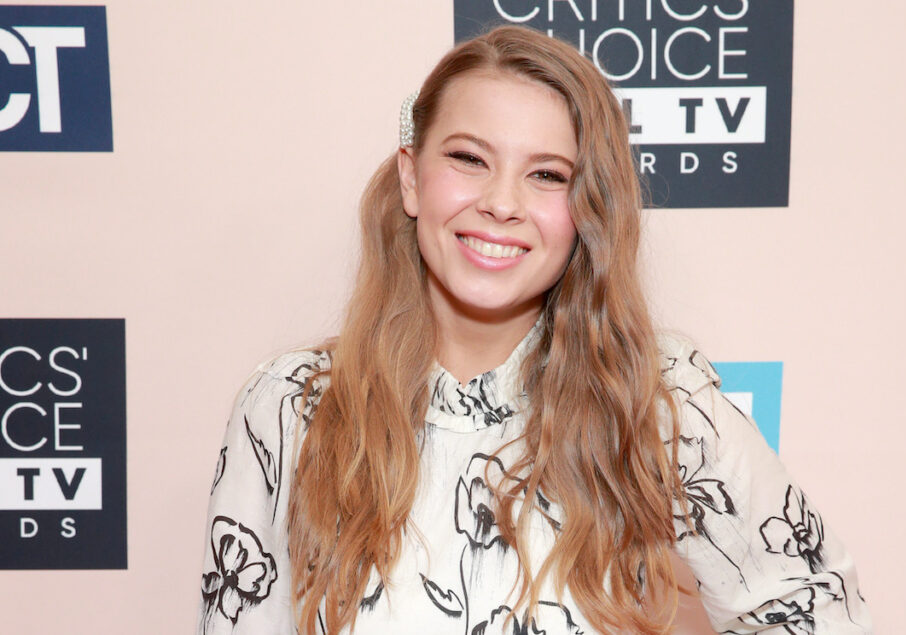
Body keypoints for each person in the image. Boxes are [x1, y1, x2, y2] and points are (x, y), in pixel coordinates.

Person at [196, 25, 871, 635]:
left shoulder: (656, 400)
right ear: (411, 178)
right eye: (468, 158)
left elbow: (817, 610)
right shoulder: (291, 407)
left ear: (586, 210)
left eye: (546, 175)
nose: (500, 203)